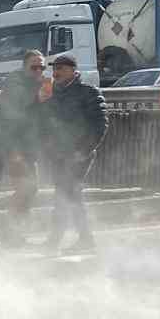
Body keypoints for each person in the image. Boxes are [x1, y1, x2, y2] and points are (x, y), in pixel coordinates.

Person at [41, 53, 107, 254]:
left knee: (65, 193)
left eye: (61, 68)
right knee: (69, 194)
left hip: (79, 154)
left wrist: (83, 150)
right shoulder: (53, 94)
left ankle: (57, 240)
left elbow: (99, 124)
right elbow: (46, 125)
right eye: (54, 68)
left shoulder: (88, 92)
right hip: (59, 155)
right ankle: (82, 240)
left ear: (73, 71)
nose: (56, 72)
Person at [0, 50, 47, 247]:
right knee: (26, 189)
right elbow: (11, 115)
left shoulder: (38, 84)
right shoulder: (15, 83)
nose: (39, 70)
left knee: (30, 190)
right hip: (14, 146)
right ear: (24, 67)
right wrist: (13, 150)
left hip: (28, 147)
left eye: (42, 66)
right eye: (34, 66)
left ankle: (16, 234)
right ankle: (9, 233)